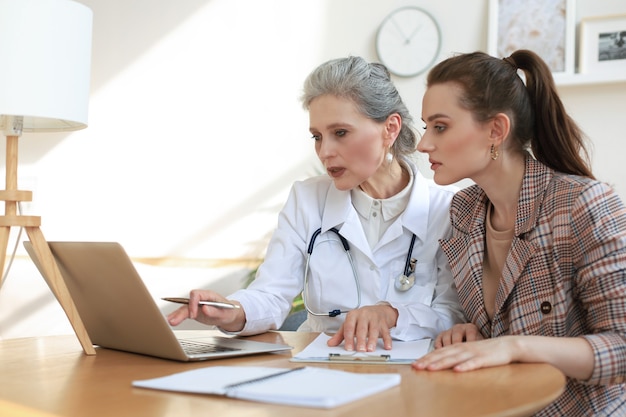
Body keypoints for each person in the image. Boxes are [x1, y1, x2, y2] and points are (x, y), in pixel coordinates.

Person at [167, 56, 465, 352]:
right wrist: (232, 311)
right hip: (322, 364)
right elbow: (272, 294)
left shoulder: (449, 207)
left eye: (340, 133)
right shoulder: (307, 199)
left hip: (414, 373)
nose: (325, 152)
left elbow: (455, 315)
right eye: (317, 137)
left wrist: (392, 315)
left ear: (390, 128)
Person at [413, 49, 626, 416]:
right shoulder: (463, 211)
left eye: (440, 126)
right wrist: (467, 332)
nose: (423, 144)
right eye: (426, 127)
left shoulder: (584, 204)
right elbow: (494, 325)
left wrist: (514, 346)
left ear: (496, 130)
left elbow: (621, 349)